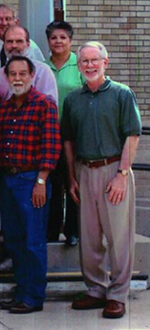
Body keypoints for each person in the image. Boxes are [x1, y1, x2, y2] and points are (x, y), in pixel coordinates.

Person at [64, 42, 142, 319]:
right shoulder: (73, 99)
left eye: (94, 60)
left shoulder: (122, 94)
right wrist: (72, 176)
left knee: (119, 237)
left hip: (114, 171)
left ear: (105, 63)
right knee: (89, 236)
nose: (89, 65)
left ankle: (118, 294)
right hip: (84, 171)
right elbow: (68, 140)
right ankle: (95, 290)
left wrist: (122, 175)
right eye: (83, 61)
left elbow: (132, 135)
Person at [0, 56, 60, 314]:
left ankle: (33, 297)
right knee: (15, 240)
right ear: (7, 77)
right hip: (8, 181)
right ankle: (21, 292)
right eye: (12, 74)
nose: (17, 78)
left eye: (23, 73)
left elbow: (51, 146)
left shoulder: (44, 105)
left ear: (32, 76)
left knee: (33, 242)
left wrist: (41, 181)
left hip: (32, 181)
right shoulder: (6, 107)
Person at [44, 20, 84, 246]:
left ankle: (73, 231)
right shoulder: (41, 66)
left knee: (74, 183)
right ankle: (52, 230)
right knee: (53, 185)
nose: (58, 41)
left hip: (74, 135)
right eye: (53, 38)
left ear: (70, 40)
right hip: (49, 136)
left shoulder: (79, 65)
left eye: (63, 37)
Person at [0, 25, 58, 103]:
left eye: (19, 41)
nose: (14, 45)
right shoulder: (0, 74)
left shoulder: (43, 71)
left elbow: (50, 105)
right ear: (4, 45)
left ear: (28, 45)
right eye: (9, 41)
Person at [0, 4, 45, 73]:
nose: (4, 23)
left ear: (16, 22)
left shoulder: (31, 46)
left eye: (8, 19)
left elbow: (40, 72)